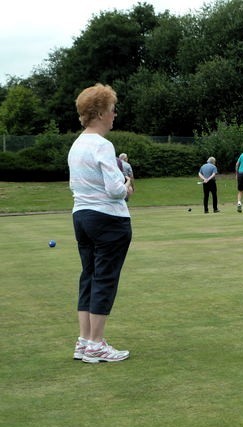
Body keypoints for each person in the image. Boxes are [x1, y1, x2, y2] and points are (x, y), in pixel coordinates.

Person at [68, 83, 133, 363]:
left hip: (81, 216)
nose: (114, 114)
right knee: (105, 278)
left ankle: (85, 341)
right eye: (111, 109)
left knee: (89, 276)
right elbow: (114, 190)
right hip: (108, 219)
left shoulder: (77, 145)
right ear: (99, 113)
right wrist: (127, 184)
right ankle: (96, 344)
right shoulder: (102, 145)